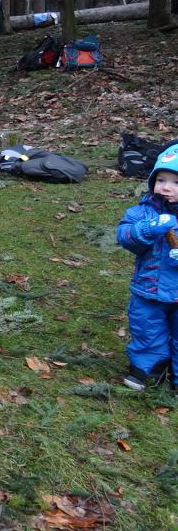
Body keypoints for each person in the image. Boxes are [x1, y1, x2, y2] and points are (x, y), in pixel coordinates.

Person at [116, 145, 178, 392]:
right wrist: (149, 229)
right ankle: (148, 369)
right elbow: (126, 236)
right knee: (147, 328)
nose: (165, 187)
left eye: (175, 182)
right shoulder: (142, 212)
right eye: (160, 179)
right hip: (148, 290)